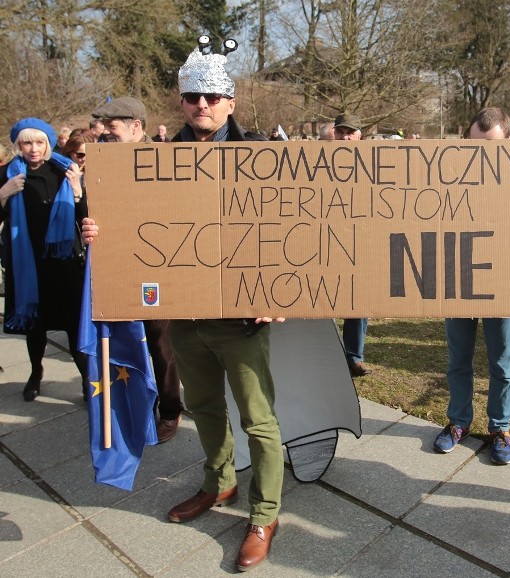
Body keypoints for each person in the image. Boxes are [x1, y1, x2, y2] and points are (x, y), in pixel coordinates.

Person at [82, 37, 284, 572]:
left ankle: (265, 513)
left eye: (213, 96)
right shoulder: (154, 161)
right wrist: (98, 231)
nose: (203, 105)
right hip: (186, 316)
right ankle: (219, 486)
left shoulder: (261, 154)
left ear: (230, 103)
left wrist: (282, 293)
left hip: (241, 317)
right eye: (194, 95)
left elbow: (290, 231)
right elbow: (133, 228)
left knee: (258, 421)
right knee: (205, 410)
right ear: (180, 100)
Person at [90, 96, 184, 444]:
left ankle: (171, 409)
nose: (105, 133)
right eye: (102, 127)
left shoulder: (163, 161)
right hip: (118, 265)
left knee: (160, 341)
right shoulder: (102, 162)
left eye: (111, 127)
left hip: (156, 268)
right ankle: (137, 401)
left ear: (135, 127)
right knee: (128, 338)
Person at [433, 107, 510, 466]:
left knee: (502, 363)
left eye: (492, 146)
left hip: (504, 279)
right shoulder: (448, 174)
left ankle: (500, 428)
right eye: (475, 145)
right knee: (458, 359)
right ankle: (459, 422)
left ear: (509, 143)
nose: (482, 154)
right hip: (459, 278)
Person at [0, 118, 87, 401]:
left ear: (48, 144)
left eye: (39, 142)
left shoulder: (65, 171)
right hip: (28, 263)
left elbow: (86, 217)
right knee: (36, 324)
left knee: (74, 323)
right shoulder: (9, 174)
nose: (34, 149)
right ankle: (35, 371)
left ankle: (87, 379)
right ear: (18, 145)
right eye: (27, 143)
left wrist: (77, 193)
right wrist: (3, 194)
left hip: (63, 263)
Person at [332, 112, 372, 376]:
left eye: (351, 132)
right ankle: (326, 354)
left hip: (361, 242)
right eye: (341, 132)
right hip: (328, 241)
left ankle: (353, 356)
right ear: (333, 134)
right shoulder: (316, 163)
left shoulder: (372, 165)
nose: (345, 137)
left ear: (360, 135)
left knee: (358, 301)